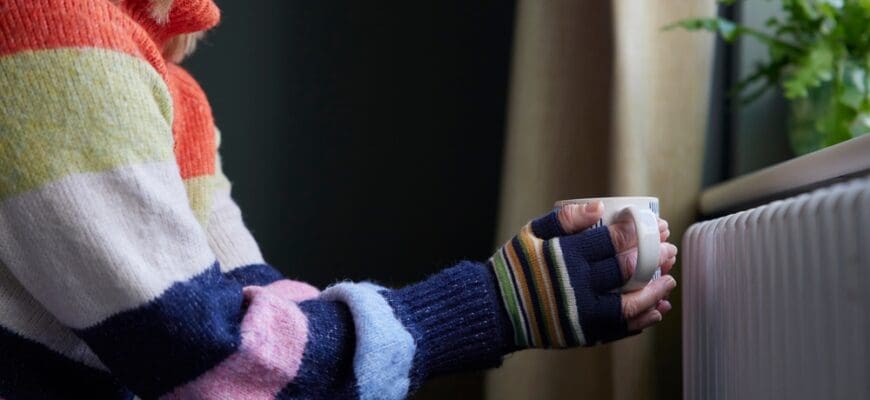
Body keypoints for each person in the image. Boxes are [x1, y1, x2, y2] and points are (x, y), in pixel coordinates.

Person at [0, 0, 678, 399]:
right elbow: (218, 365)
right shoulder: (50, 28)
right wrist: (501, 304)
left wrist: (523, 294)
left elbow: (258, 316)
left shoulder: (158, 79)